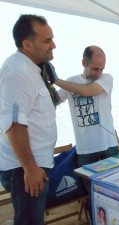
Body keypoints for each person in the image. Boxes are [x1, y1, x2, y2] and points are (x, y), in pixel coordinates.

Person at [0, 14, 57, 225]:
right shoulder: (19, 72)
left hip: (32, 165)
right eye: (46, 41)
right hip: (24, 169)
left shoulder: (30, 69)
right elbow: (13, 124)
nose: (54, 45)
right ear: (27, 44)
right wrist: (30, 168)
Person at [53, 45, 119, 216]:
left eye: (102, 68)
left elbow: (88, 91)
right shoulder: (71, 81)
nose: (99, 73)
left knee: (115, 192)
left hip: (108, 146)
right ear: (84, 62)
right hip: (85, 150)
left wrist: (54, 79)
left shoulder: (107, 78)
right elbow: (52, 101)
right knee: (91, 194)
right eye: (95, 68)